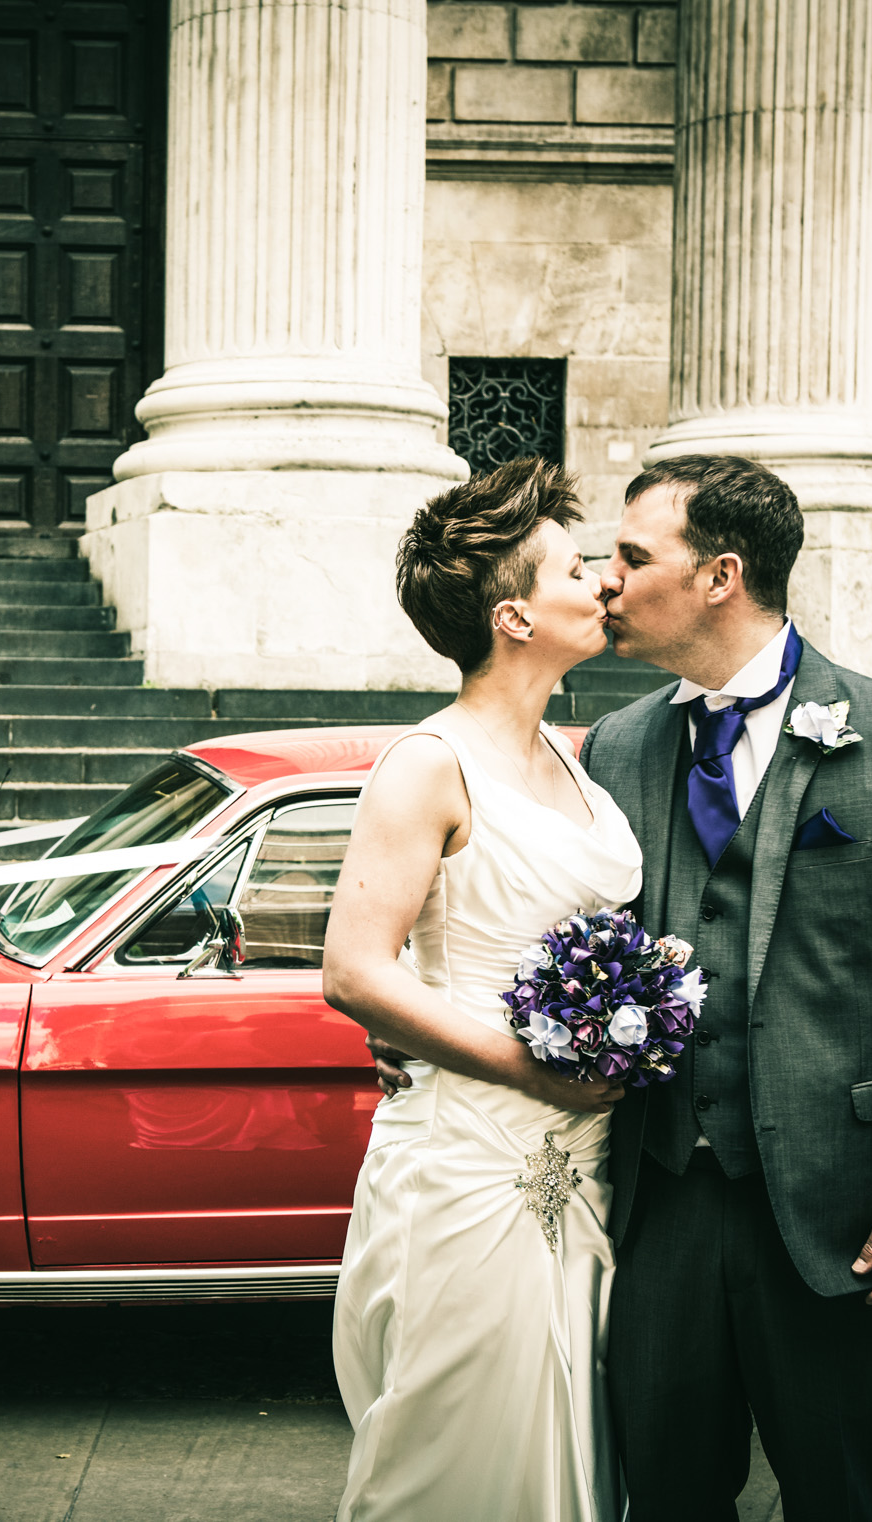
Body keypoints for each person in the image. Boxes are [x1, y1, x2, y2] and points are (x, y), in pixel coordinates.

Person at [369, 454, 872, 1521]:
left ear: (721, 575)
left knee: (844, 1497)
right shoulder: (616, 748)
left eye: (632, 556)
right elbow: (543, 918)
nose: (610, 580)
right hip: (656, 1195)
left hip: (838, 1209)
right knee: (665, 1492)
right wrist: (430, 1014)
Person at [324, 457, 643, 1521]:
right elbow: (354, 971)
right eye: (573, 566)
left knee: (572, 1436)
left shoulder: (578, 754)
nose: (602, 582)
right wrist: (534, 1070)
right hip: (475, 1157)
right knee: (462, 1455)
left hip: (588, 1160)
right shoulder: (428, 764)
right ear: (513, 614)